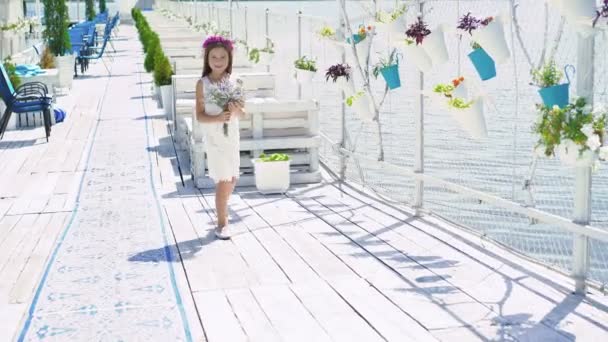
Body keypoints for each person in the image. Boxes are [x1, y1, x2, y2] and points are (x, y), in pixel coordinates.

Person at [195, 35, 246, 240]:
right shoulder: (203, 83)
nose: (218, 60)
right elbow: (200, 116)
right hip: (215, 138)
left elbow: (243, 113)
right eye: (214, 56)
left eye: (222, 57)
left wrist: (235, 110)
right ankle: (222, 223)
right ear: (207, 59)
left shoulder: (236, 81)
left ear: (229, 58)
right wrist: (217, 117)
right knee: (223, 180)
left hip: (231, 136)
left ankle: (222, 210)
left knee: (232, 178)